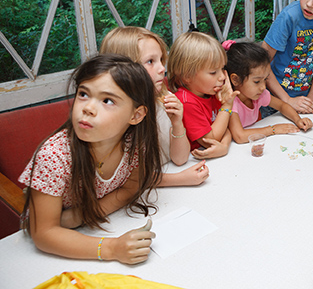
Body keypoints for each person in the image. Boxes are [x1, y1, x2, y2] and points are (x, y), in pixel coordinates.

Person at [18, 54, 162, 264]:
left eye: (107, 100)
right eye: (83, 94)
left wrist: (79, 216)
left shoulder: (134, 144)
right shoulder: (54, 156)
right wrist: (112, 248)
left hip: (91, 227)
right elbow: (44, 234)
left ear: (136, 116)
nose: (87, 108)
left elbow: (131, 188)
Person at [100, 27, 209, 186]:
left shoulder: (164, 99)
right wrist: (179, 179)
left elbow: (180, 159)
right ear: (123, 69)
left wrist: (177, 123)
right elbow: (127, 178)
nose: (162, 69)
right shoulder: (114, 117)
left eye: (161, 60)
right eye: (150, 61)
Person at [223, 40, 313, 143]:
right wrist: (273, 129)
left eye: (265, 79)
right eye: (257, 81)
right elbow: (240, 137)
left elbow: (282, 106)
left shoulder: (259, 94)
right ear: (235, 79)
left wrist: (298, 120)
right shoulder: (230, 102)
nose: (263, 87)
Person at [167, 31, 238, 158]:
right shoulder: (186, 102)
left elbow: (225, 128)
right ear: (187, 75)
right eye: (213, 72)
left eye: (222, 69)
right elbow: (210, 140)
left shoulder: (210, 92)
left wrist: (225, 146)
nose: (222, 76)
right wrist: (226, 106)